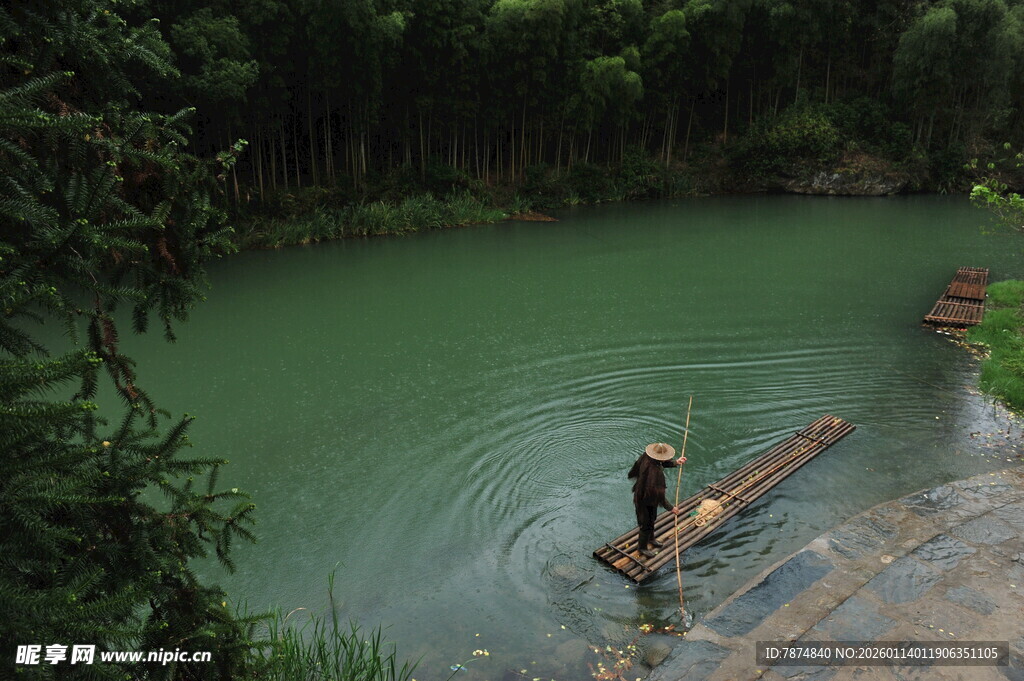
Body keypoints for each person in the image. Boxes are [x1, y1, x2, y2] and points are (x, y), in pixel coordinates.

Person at [628, 442, 686, 558]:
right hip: (644, 498)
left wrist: (676, 462)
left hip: (645, 494)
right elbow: (660, 496)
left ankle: (651, 538)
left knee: (652, 518)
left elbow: (637, 469)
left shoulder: (647, 456)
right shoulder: (655, 475)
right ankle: (642, 548)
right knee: (646, 524)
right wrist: (671, 508)